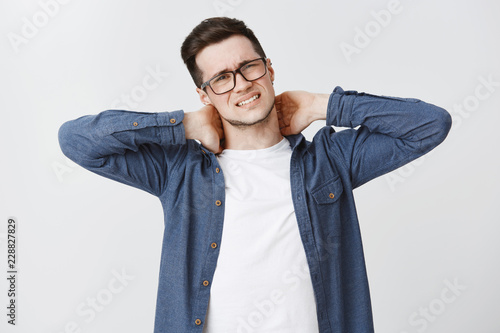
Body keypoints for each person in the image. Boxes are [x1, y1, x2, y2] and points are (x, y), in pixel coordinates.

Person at [58, 17, 452, 333]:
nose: (241, 84)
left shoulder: (331, 160)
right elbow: (77, 141)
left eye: (249, 66)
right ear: (205, 94)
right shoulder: (178, 171)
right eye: (221, 78)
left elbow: (430, 124)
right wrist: (183, 126)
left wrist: (322, 105)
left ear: (269, 69)